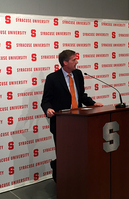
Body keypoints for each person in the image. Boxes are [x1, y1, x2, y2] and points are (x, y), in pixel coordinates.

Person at [41, 49, 103, 182]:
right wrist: (48, 109)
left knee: (79, 151)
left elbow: (80, 95)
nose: (77, 61)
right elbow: (45, 100)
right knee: (64, 153)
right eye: (74, 59)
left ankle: (78, 177)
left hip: (79, 120)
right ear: (65, 62)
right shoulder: (52, 78)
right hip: (61, 122)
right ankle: (62, 178)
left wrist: (93, 103)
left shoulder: (78, 74)